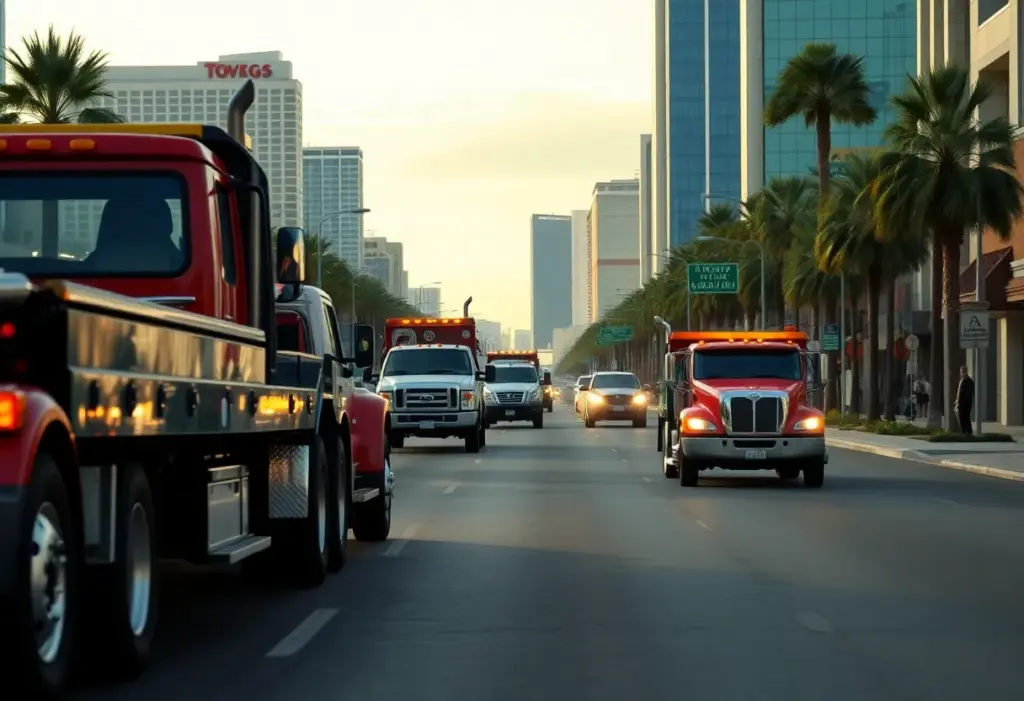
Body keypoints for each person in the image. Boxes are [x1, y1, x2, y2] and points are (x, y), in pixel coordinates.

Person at [954, 366, 975, 435]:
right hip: (965, 402)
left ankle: (965, 431)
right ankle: (968, 431)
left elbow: (964, 393)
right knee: (965, 417)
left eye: (961, 372)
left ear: (964, 372)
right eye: (960, 372)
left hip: (964, 403)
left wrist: (959, 401)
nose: (961, 373)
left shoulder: (967, 381)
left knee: (963, 418)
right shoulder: (964, 381)